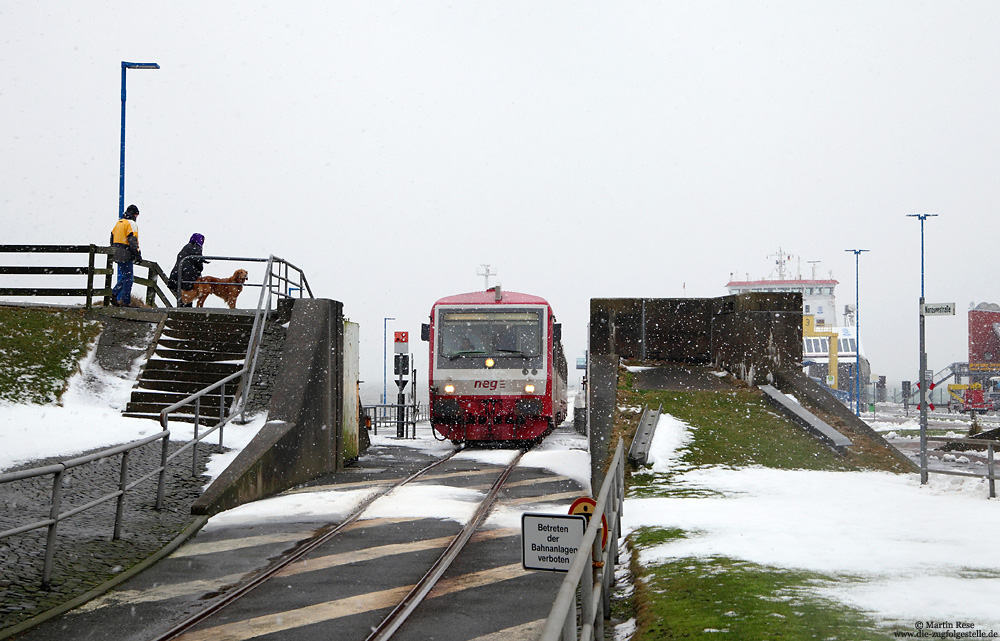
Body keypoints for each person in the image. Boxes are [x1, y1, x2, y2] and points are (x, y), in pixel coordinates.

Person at [109, 204, 141, 307]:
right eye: (136, 215)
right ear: (134, 214)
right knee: (129, 278)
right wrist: (136, 254)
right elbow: (132, 239)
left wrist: (114, 250)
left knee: (125, 276)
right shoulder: (131, 223)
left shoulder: (119, 223)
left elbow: (111, 237)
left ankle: (114, 294)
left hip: (116, 252)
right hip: (125, 252)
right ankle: (126, 301)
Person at [167, 233, 208, 307]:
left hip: (178, 275)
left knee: (182, 296)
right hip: (188, 276)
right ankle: (185, 314)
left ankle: (181, 312)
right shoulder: (196, 247)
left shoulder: (186, 247)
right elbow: (198, 261)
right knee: (188, 297)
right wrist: (201, 266)